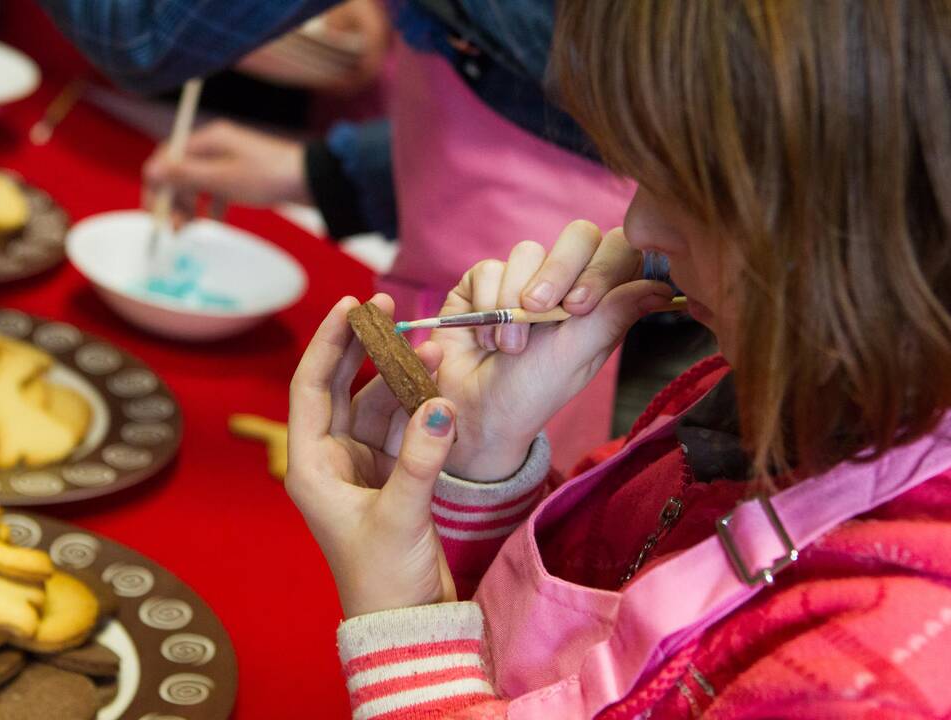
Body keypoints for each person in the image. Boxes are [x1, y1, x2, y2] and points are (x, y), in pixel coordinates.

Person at [286, 0, 951, 717]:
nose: (639, 227)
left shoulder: (873, 676)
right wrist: (485, 455)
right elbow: (558, 663)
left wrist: (397, 622)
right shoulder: (764, 389)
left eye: (694, 185)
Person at [38, 0, 642, 465]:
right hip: (478, 297)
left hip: (574, 341)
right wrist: (324, 173)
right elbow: (511, 91)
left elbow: (142, 31)